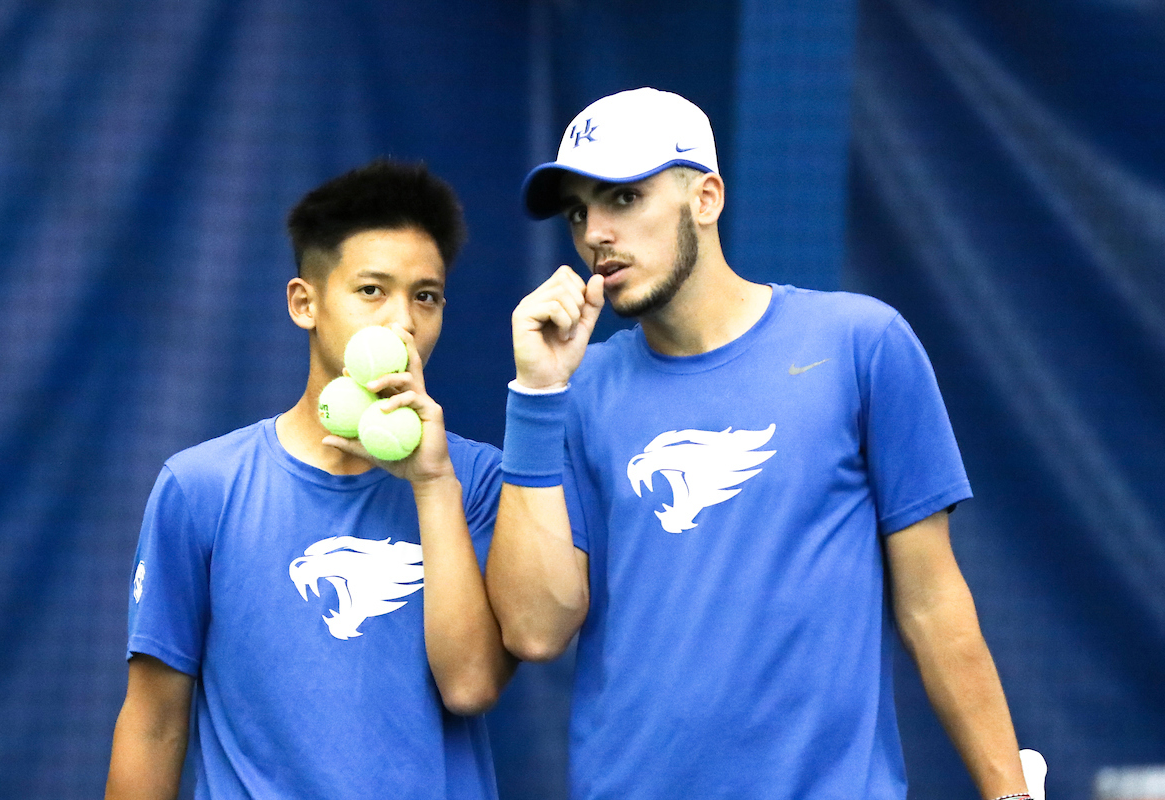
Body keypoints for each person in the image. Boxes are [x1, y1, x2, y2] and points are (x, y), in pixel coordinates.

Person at [486, 87, 1031, 800]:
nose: (595, 233)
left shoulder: (862, 345)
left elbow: (932, 602)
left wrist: (1010, 792)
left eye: (623, 198)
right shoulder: (576, 390)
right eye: (579, 212)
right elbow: (533, 630)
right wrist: (534, 396)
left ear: (706, 198)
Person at [106, 159, 515, 800]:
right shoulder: (200, 488)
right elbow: (154, 723)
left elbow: (470, 686)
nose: (402, 321)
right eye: (372, 291)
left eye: (425, 296)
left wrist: (433, 484)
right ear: (306, 303)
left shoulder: (482, 480)